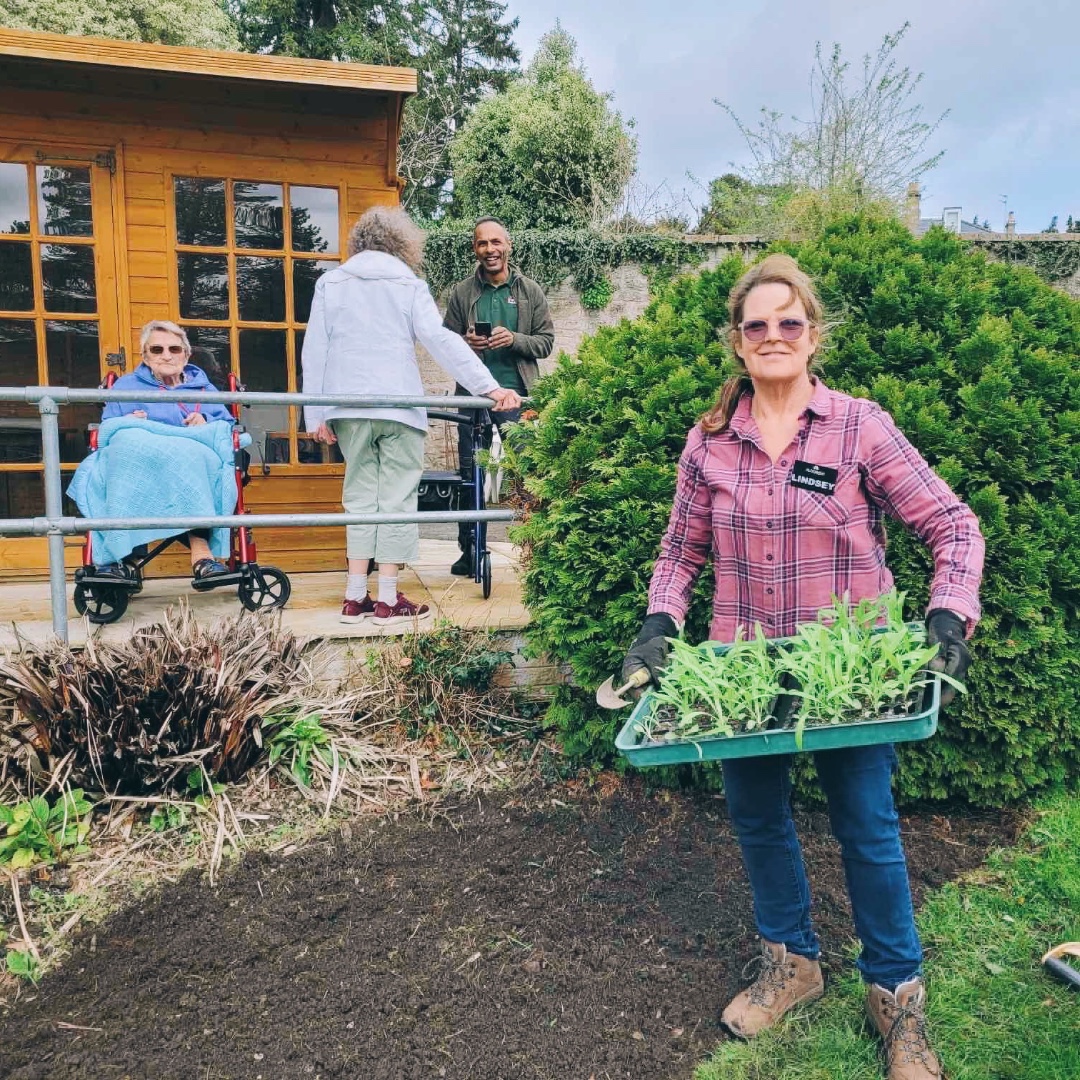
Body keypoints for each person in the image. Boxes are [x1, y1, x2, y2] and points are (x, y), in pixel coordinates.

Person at [621, 254, 983, 1080]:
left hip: (848, 674)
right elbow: (681, 550)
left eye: (790, 322)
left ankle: (895, 994)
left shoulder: (859, 426)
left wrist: (946, 613)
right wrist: (658, 621)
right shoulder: (710, 441)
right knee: (758, 820)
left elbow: (954, 526)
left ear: (812, 335)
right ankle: (793, 964)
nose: (774, 335)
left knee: (868, 825)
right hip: (746, 671)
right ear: (738, 342)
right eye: (758, 325)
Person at [302, 207, 521, 626]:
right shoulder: (407, 283)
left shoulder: (330, 284)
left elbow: (315, 348)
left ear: (358, 242)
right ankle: (386, 599)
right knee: (397, 499)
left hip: (347, 407)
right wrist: (488, 388)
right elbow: (440, 341)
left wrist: (317, 413)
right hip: (398, 407)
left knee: (360, 498)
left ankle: (354, 598)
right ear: (401, 244)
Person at [442, 216, 554, 575]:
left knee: (528, 473)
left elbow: (546, 342)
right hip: (472, 397)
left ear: (508, 245)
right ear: (474, 249)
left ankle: (537, 549)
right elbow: (445, 343)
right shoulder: (462, 293)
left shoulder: (530, 291)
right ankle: (469, 551)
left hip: (516, 398)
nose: (489, 250)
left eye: (495, 242)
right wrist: (466, 343)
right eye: (481, 244)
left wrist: (516, 340)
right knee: (468, 475)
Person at [96, 320, 235, 583]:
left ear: (187, 354)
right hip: (141, 464)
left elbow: (227, 430)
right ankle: (122, 558)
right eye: (157, 350)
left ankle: (201, 552)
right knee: (125, 447)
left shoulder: (204, 389)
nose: (167, 355)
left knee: (191, 458)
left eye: (174, 349)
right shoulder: (126, 387)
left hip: (191, 461)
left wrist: (206, 420)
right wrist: (129, 423)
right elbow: (107, 430)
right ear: (145, 356)